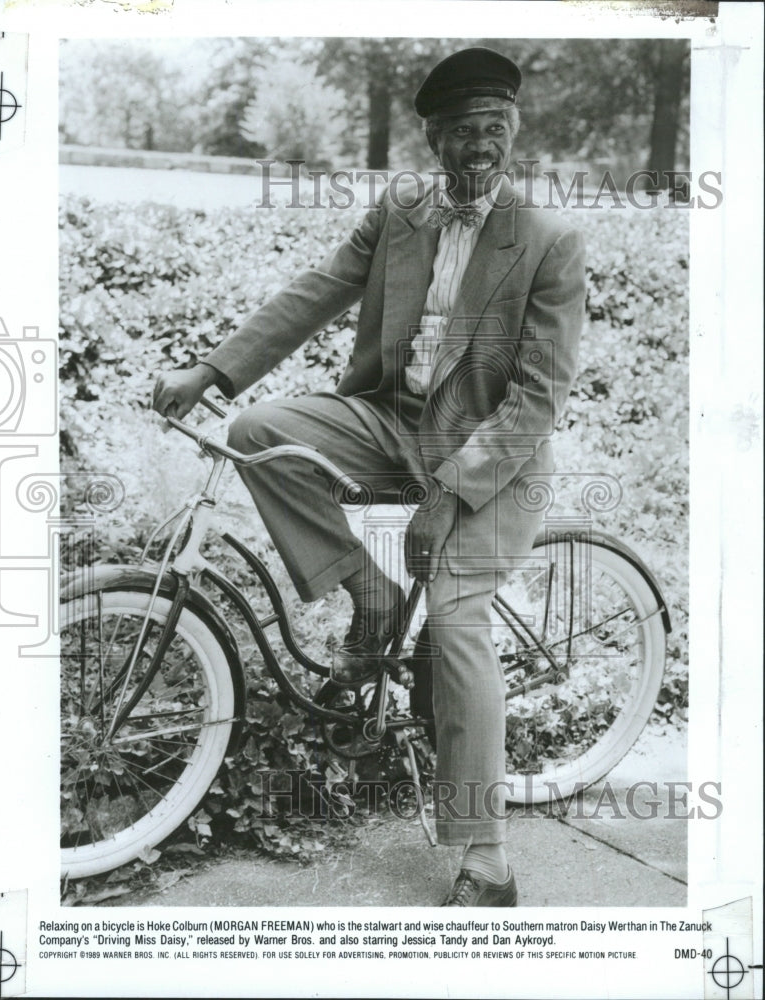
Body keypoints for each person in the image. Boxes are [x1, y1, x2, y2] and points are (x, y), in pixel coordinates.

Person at [153, 47, 585, 907]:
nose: (479, 150)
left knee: (458, 626)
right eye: (462, 134)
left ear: (514, 130)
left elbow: (538, 398)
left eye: (494, 130)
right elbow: (316, 292)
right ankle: (372, 594)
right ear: (432, 141)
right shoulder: (405, 210)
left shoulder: (548, 238)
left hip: (495, 458)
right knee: (260, 431)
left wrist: (449, 494)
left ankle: (483, 855)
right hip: (395, 422)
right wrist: (212, 370)